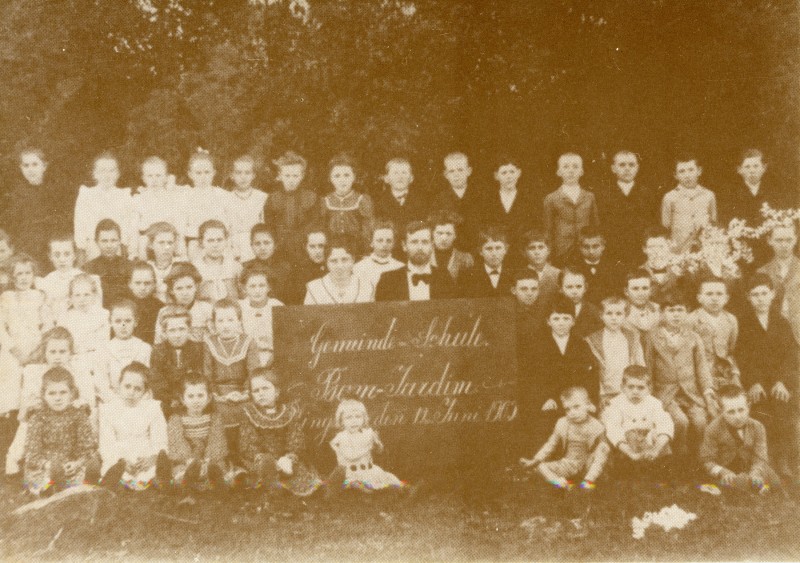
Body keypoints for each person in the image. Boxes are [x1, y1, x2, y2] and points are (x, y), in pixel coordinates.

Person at [6, 327, 94, 476]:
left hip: (70, 419)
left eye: (62, 352)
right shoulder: (34, 372)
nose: (57, 357)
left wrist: (79, 404)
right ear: (44, 353)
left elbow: (89, 403)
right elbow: (23, 414)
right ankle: (14, 462)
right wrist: (32, 408)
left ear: (70, 353)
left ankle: (81, 462)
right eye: (52, 352)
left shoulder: (79, 371)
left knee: (84, 420)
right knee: (27, 422)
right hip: (43, 421)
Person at [736, 273, 797, 477]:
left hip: (779, 382)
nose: (760, 298)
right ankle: (764, 461)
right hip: (754, 383)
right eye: (755, 294)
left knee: (784, 409)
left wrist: (782, 382)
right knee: (761, 412)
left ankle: (782, 460)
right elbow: (742, 357)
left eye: (764, 293)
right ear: (748, 297)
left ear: (772, 294)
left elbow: (791, 355)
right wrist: (753, 382)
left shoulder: (781, 322)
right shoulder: (742, 323)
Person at [521, 296, 596, 451]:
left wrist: (587, 400)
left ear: (573, 321)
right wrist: (543, 398)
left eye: (566, 318)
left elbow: (591, 376)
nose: (561, 323)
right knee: (546, 434)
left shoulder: (581, 344)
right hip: (549, 402)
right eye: (556, 318)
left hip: (575, 401)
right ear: (548, 321)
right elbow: (530, 377)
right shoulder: (537, 344)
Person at [645, 292, 714, 458]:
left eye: (680, 310)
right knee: (680, 421)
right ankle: (678, 458)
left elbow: (702, 368)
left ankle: (699, 458)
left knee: (700, 422)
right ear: (662, 313)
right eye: (670, 310)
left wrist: (707, 393)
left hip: (691, 393)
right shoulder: (652, 337)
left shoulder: (693, 337)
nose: (676, 314)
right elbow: (648, 368)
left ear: (686, 312)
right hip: (666, 394)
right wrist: (650, 397)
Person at [238, 368, 321, 496]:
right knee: (263, 468)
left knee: (300, 472)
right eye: (256, 391)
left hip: (285, 459)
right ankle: (272, 484)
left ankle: (325, 491)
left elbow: (296, 437)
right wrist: (260, 457)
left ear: (276, 391)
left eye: (265, 388)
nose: (260, 393)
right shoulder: (249, 413)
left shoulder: (288, 411)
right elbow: (248, 442)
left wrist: (289, 457)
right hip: (261, 459)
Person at [22, 367, 99, 496]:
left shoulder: (79, 416)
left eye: (63, 392)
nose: (57, 398)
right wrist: (49, 465)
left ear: (72, 394)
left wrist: (76, 463)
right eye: (52, 393)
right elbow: (32, 453)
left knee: (92, 464)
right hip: (45, 468)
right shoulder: (38, 417)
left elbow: (87, 448)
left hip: (71, 466)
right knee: (44, 477)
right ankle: (53, 490)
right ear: (43, 395)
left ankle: (81, 488)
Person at [98, 361, 170, 491]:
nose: (131, 392)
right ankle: (120, 485)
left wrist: (153, 458)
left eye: (138, 389)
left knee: (154, 473)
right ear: (118, 386)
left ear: (145, 391)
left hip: (145, 456)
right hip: (119, 456)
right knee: (114, 472)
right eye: (127, 386)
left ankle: (155, 485)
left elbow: (160, 439)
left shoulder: (152, 408)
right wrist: (120, 461)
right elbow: (107, 444)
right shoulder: (108, 410)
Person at [520, 387, 607, 490]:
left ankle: (587, 483)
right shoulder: (562, 423)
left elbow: (602, 455)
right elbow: (550, 445)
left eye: (576, 407)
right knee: (540, 467)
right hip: (568, 463)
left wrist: (590, 478)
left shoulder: (596, 426)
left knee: (603, 449)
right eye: (567, 409)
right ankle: (564, 485)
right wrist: (536, 460)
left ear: (587, 405)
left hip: (588, 464)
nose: (572, 412)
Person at [700, 384, 780, 493]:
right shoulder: (713, 429)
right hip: (728, 471)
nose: (738, 417)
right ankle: (751, 488)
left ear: (748, 407)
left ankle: (754, 485)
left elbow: (760, 456)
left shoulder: (757, 426)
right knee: (735, 482)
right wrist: (723, 471)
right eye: (731, 412)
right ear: (721, 410)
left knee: (774, 481)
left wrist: (755, 472)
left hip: (750, 468)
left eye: (741, 410)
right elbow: (707, 460)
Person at [203, 299, 259, 453]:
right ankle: (223, 458)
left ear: (239, 321)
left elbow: (254, 372)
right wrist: (216, 395)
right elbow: (207, 374)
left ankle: (245, 457)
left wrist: (244, 394)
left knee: (245, 414)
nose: (225, 325)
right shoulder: (209, 342)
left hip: (243, 393)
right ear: (214, 323)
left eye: (230, 320)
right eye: (220, 321)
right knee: (219, 415)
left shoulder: (248, 342)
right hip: (218, 395)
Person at [602, 365, 674, 481]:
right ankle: (629, 474)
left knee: (661, 435)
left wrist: (656, 449)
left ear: (649, 389)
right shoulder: (616, 404)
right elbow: (614, 430)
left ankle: (660, 476)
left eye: (641, 388)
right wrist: (630, 452)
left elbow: (665, 424)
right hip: (627, 447)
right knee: (624, 436)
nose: (635, 391)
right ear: (622, 387)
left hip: (649, 444)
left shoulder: (654, 403)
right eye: (631, 387)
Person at [1, 148, 63, 265]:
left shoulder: (54, 192)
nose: (30, 169)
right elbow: (11, 225)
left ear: (44, 166)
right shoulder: (16, 195)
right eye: (26, 165)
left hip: (51, 249)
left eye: (35, 164)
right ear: (21, 168)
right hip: (25, 249)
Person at [597, 150, 658, 269]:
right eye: (622, 165)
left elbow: (653, 224)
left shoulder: (647, 193)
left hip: (641, 253)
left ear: (637, 167)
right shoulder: (604, 194)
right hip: (613, 253)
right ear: (613, 168)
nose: (627, 169)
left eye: (631, 165)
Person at [329, 399, 404, 492]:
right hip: (352, 473)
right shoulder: (342, 437)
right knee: (358, 486)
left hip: (369, 470)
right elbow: (351, 456)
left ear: (364, 418)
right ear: (341, 421)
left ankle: (402, 490)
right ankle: (361, 489)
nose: (354, 421)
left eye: (358, 416)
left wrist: (377, 443)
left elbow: (379, 451)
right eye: (348, 417)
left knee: (392, 483)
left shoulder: (367, 433)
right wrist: (369, 446)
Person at [167, 376, 228, 491]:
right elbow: (177, 441)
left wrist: (208, 460)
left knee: (219, 467)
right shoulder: (176, 419)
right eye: (190, 396)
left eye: (200, 396)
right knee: (180, 471)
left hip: (209, 458)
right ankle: (189, 480)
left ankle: (213, 479)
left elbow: (217, 440)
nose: (196, 400)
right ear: (182, 399)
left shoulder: (215, 418)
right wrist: (189, 460)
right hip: (187, 460)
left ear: (209, 398)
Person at [73, 152, 135, 261]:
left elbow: (128, 223)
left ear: (118, 174)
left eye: (112, 171)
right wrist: (81, 246)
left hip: (117, 245)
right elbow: (80, 223)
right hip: (93, 245)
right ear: (94, 174)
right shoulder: (87, 194)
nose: (107, 175)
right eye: (102, 171)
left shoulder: (124, 195)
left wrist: (124, 243)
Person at [585, 297, 645, 409]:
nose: (614, 318)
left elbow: (640, 367)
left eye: (618, 314)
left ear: (625, 315)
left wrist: (637, 390)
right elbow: (592, 373)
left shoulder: (632, 337)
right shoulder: (593, 340)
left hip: (631, 392)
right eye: (609, 313)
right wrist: (602, 395)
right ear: (601, 315)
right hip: (606, 394)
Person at [375, 221, 456, 302]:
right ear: (404, 246)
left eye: (425, 242)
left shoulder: (445, 278)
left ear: (432, 245)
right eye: (414, 242)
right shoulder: (388, 281)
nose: (419, 247)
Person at [542, 152, 600, 265]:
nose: (571, 170)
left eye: (575, 166)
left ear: (582, 171)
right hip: (562, 250)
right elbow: (547, 230)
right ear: (558, 172)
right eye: (566, 166)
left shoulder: (589, 197)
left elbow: (595, 225)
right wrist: (548, 255)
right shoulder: (551, 198)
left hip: (586, 249)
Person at [263, 151, 319, 261]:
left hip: (305, 247)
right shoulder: (273, 199)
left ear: (302, 176)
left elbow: (314, 222)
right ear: (280, 175)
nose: (291, 180)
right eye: (287, 175)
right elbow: (269, 224)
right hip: (279, 248)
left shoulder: (311, 197)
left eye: (295, 176)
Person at [94, 299, 152, 404]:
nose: (123, 326)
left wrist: (139, 401)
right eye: (118, 321)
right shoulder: (103, 349)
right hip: (112, 402)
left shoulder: (144, 348)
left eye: (128, 321)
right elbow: (101, 383)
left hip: (139, 401)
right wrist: (115, 401)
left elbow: (148, 381)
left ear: (136, 322)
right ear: (110, 322)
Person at [688, 278, 740, 394]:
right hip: (701, 375)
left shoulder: (731, 320)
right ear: (699, 298)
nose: (714, 298)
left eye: (719, 294)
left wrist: (735, 374)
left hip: (726, 373)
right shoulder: (691, 320)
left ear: (726, 298)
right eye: (709, 294)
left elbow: (731, 351)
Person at [150, 306, 204, 417]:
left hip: (193, 399)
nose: (177, 335)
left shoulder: (197, 349)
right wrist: (171, 399)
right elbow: (157, 381)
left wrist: (186, 399)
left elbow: (199, 376)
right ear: (164, 333)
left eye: (181, 329)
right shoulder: (158, 351)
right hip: (167, 402)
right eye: (172, 330)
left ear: (189, 330)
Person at [0, 254, 52, 367]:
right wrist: (14, 350)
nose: (24, 278)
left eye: (28, 273)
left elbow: (48, 325)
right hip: (13, 349)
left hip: (36, 348)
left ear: (33, 275)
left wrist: (39, 350)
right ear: (12, 277)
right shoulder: (7, 297)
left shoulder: (40, 296)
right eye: (19, 274)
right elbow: (1, 328)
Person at [133, 156, 188, 260]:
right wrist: (133, 251)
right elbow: (134, 227)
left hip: (168, 237)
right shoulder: (139, 199)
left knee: (175, 247)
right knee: (142, 241)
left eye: (158, 175)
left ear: (166, 177)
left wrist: (181, 246)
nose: (154, 180)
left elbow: (179, 223)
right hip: (149, 240)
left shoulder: (172, 198)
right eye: (150, 176)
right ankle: (145, 268)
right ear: (143, 178)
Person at [183, 149, 232, 262]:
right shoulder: (185, 196)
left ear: (214, 172)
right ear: (190, 174)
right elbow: (182, 225)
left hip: (219, 243)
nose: (203, 177)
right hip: (195, 242)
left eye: (207, 172)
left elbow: (230, 224)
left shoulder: (223, 195)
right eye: (198, 173)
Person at [661, 155, 717, 253]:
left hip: (704, 249)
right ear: (675, 175)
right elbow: (666, 225)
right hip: (679, 250)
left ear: (699, 171)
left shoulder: (709, 195)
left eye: (691, 170)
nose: (687, 175)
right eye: (682, 171)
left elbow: (713, 220)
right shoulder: (670, 197)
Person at [482, 155, 539, 252]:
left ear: (519, 173)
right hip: (497, 253)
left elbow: (535, 228)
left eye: (512, 172)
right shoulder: (488, 201)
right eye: (504, 173)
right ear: (496, 176)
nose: (509, 176)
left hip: (522, 252)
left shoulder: (530, 200)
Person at [36, 234, 101, 318]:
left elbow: (95, 309)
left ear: (74, 255)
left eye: (67, 254)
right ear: (50, 256)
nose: (62, 260)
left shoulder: (86, 279)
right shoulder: (46, 281)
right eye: (57, 255)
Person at [430, 152, 483, 252]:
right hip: (450, 252)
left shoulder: (480, 197)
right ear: (446, 175)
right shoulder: (439, 199)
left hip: (476, 251)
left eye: (460, 170)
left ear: (469, 171)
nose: (456, 175)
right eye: (452, 171)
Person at [320, 154, 374, 249]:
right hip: (332, 249)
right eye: (337, 176)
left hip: (357, 249)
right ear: (330, 178)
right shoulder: (325, 201)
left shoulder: (362, 200)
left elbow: (368, 230)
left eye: (346, 175)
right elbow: (322, 230)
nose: (342, 180)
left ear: (354, 177)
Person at [305, 237, 374, 305]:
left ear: (353, 260)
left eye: (344, 260)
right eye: (334, 261)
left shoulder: (366, 286)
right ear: (326, 262)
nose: (340, 266)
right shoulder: (314, 288)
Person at [155, 262, 213, 343]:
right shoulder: (164, 312)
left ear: (196, 287)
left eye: (189, 287)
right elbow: (159, 342)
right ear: (172, 290)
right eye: (179, 288)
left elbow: (214, 338)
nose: (185, 293)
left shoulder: (206, 309)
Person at [239, 265, 284, 366]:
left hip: (273, 358)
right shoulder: (239, 307)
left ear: (269, 287)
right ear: (244, 288)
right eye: (252, 286)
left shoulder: (277, 306)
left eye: (262, 285)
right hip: (245, 359)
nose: (257, 291)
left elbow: (283, 340)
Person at [56, 273, 109, 356]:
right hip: (71, 357)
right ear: (71, 297)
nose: (82, 299)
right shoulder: (65, 317)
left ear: (94, 296)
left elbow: (102, 344)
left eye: (86, 295)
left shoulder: (101, 316)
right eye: (77, 295)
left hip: (95, 357)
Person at [227, 155, 268, 262]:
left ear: (253, 175)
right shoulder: (225, 198)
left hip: (257, 245)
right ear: (232, 175)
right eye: (238, 173)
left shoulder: (262, 197)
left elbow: (264, 225)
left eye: (247, 173)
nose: (243, 177)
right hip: (233, 246)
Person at [373, 157, 428, 236]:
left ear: (411, 178)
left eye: (404, 173)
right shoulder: (378, 201)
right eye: (395, 173)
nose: (400, 177)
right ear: (386, 178)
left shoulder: (421, 201)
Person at [82, 219, 130, 308]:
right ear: (97, 242)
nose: (109, 245)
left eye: (113, 240)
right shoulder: (88, 268)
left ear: (120, 241)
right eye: (104, 241)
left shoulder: (130, 267)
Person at [567, 227, 622, 304]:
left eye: (595, 246)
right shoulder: (573, 268)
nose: (591, 251)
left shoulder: (615, 268)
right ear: (580, 247)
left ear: (603, 246)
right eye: (586, 247)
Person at [193, 219, 241, 302]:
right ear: (201, 242)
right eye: (210, 241)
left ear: (226, 241)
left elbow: (244, 295)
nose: (215, 245)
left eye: (219, 240)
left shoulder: (235, 267)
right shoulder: (195, 268)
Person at [242, 224, 291, 303]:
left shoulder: (285, 268)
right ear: (251, 246)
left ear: (275, 245)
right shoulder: (246, 267)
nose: (262, 248)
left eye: (267, 243)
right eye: (257, 244)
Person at [459, 227, 513, 298]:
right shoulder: (467, 276)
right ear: (480, 251)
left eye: (498, 248)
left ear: (505, 250)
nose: (494, 253)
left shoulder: (514, 275)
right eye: (489, 248)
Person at [757, 223, 799, 308]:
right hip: (775, 320)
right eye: (779, 240)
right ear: (769, 240)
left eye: (789, 240)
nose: (784, 245)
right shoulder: (762, 272)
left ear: (795, 239)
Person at [352, 220, 404, 288]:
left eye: (389, 241)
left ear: (393, 243)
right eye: (380, 240)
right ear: (371, 242)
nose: (384, 244)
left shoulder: (400, 267)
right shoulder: (359, 268)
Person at [428, 210, 474, 282]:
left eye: (448, 234)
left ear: (455, 235)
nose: (444, 238)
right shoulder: (425, 255)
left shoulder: (466, 259)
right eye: (439, 233)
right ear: (432, 233)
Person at [286, 227, 328, 305]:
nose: (317, 251)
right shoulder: (297, 273)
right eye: (312, 246)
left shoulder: (333, 268)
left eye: (321, 246)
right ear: (305, 247)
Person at [520, 230, 561, 308]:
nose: (537, 252)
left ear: (548, 250)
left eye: (541, 247)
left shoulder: (558, 274)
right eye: (532, 248)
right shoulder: (519, 275)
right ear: (524, 252)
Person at [640, 227, 681, 304]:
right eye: (651, 247)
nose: (656, 251)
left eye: (661, 247)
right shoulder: (638, 272)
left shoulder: (681, 270)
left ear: (669, 247)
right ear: (644, 249)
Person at [558, 268, 601, 339]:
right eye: (569, 287)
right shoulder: (552, 312)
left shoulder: (594, 312)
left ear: (585, 288)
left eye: (579, 286)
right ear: (561, 289)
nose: (575, 291)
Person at [125, 261, 162, 345]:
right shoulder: (123, 307)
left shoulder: (160, 307)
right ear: (130, 284)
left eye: (147, 283)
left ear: (154, 284)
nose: (142, 288)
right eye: (138, 283)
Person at [144, 222, 180, 303]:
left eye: (170, 243)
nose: (166, 247)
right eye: (161, 243)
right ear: (151, 245)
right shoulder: (147, 267)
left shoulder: (181, 266)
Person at [623, 269, 661, 336]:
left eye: (645, 288)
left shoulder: (658, 309)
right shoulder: (620, 312)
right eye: (635, 289)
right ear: (626, 291)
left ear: (651, 290)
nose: (641, 293)